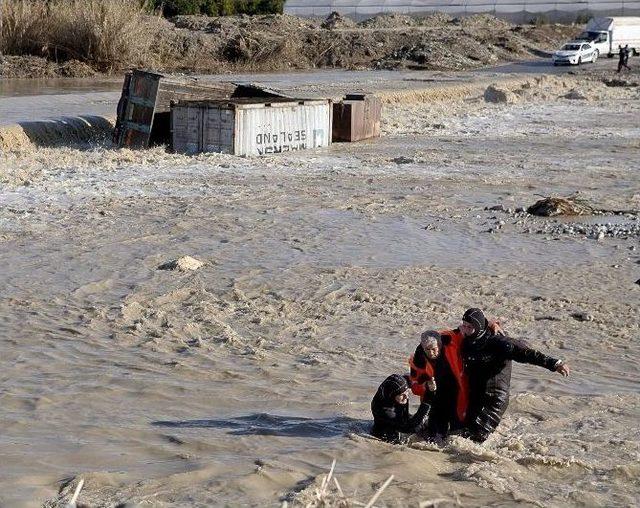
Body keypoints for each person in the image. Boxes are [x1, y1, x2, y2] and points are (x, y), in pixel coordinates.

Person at [459, 308, 570, 443]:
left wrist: (554, 364)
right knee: (462, 432)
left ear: (479, 327)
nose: (465, 329)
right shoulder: (466, 340)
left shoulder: (498, 343)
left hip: (495, 397)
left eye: (469, 327)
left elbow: (526, 354)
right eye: (464, 325)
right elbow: (440, 339)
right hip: (476, 394)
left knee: (477, 437)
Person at [409, 320, 503, 443]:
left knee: (459, 429)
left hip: (457, 389)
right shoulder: (419, 358)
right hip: (436, 395)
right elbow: (415, 385)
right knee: (434, 434)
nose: (431, 353)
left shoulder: (449, 339)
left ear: (440, 344)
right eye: (427, 350)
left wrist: (491, 325)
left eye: (434, 349)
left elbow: (470, 326)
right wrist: (426, 386)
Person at [370, 373, 429, 443]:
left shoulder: (400, 384)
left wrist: (427, 381)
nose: (406, 397)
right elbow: (410, 428)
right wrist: (427, 402)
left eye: (407, 392)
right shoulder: (384, 411)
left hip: (403, 420)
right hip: (388, 435)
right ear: (392, 396)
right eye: (402, 395)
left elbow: (414, 377)